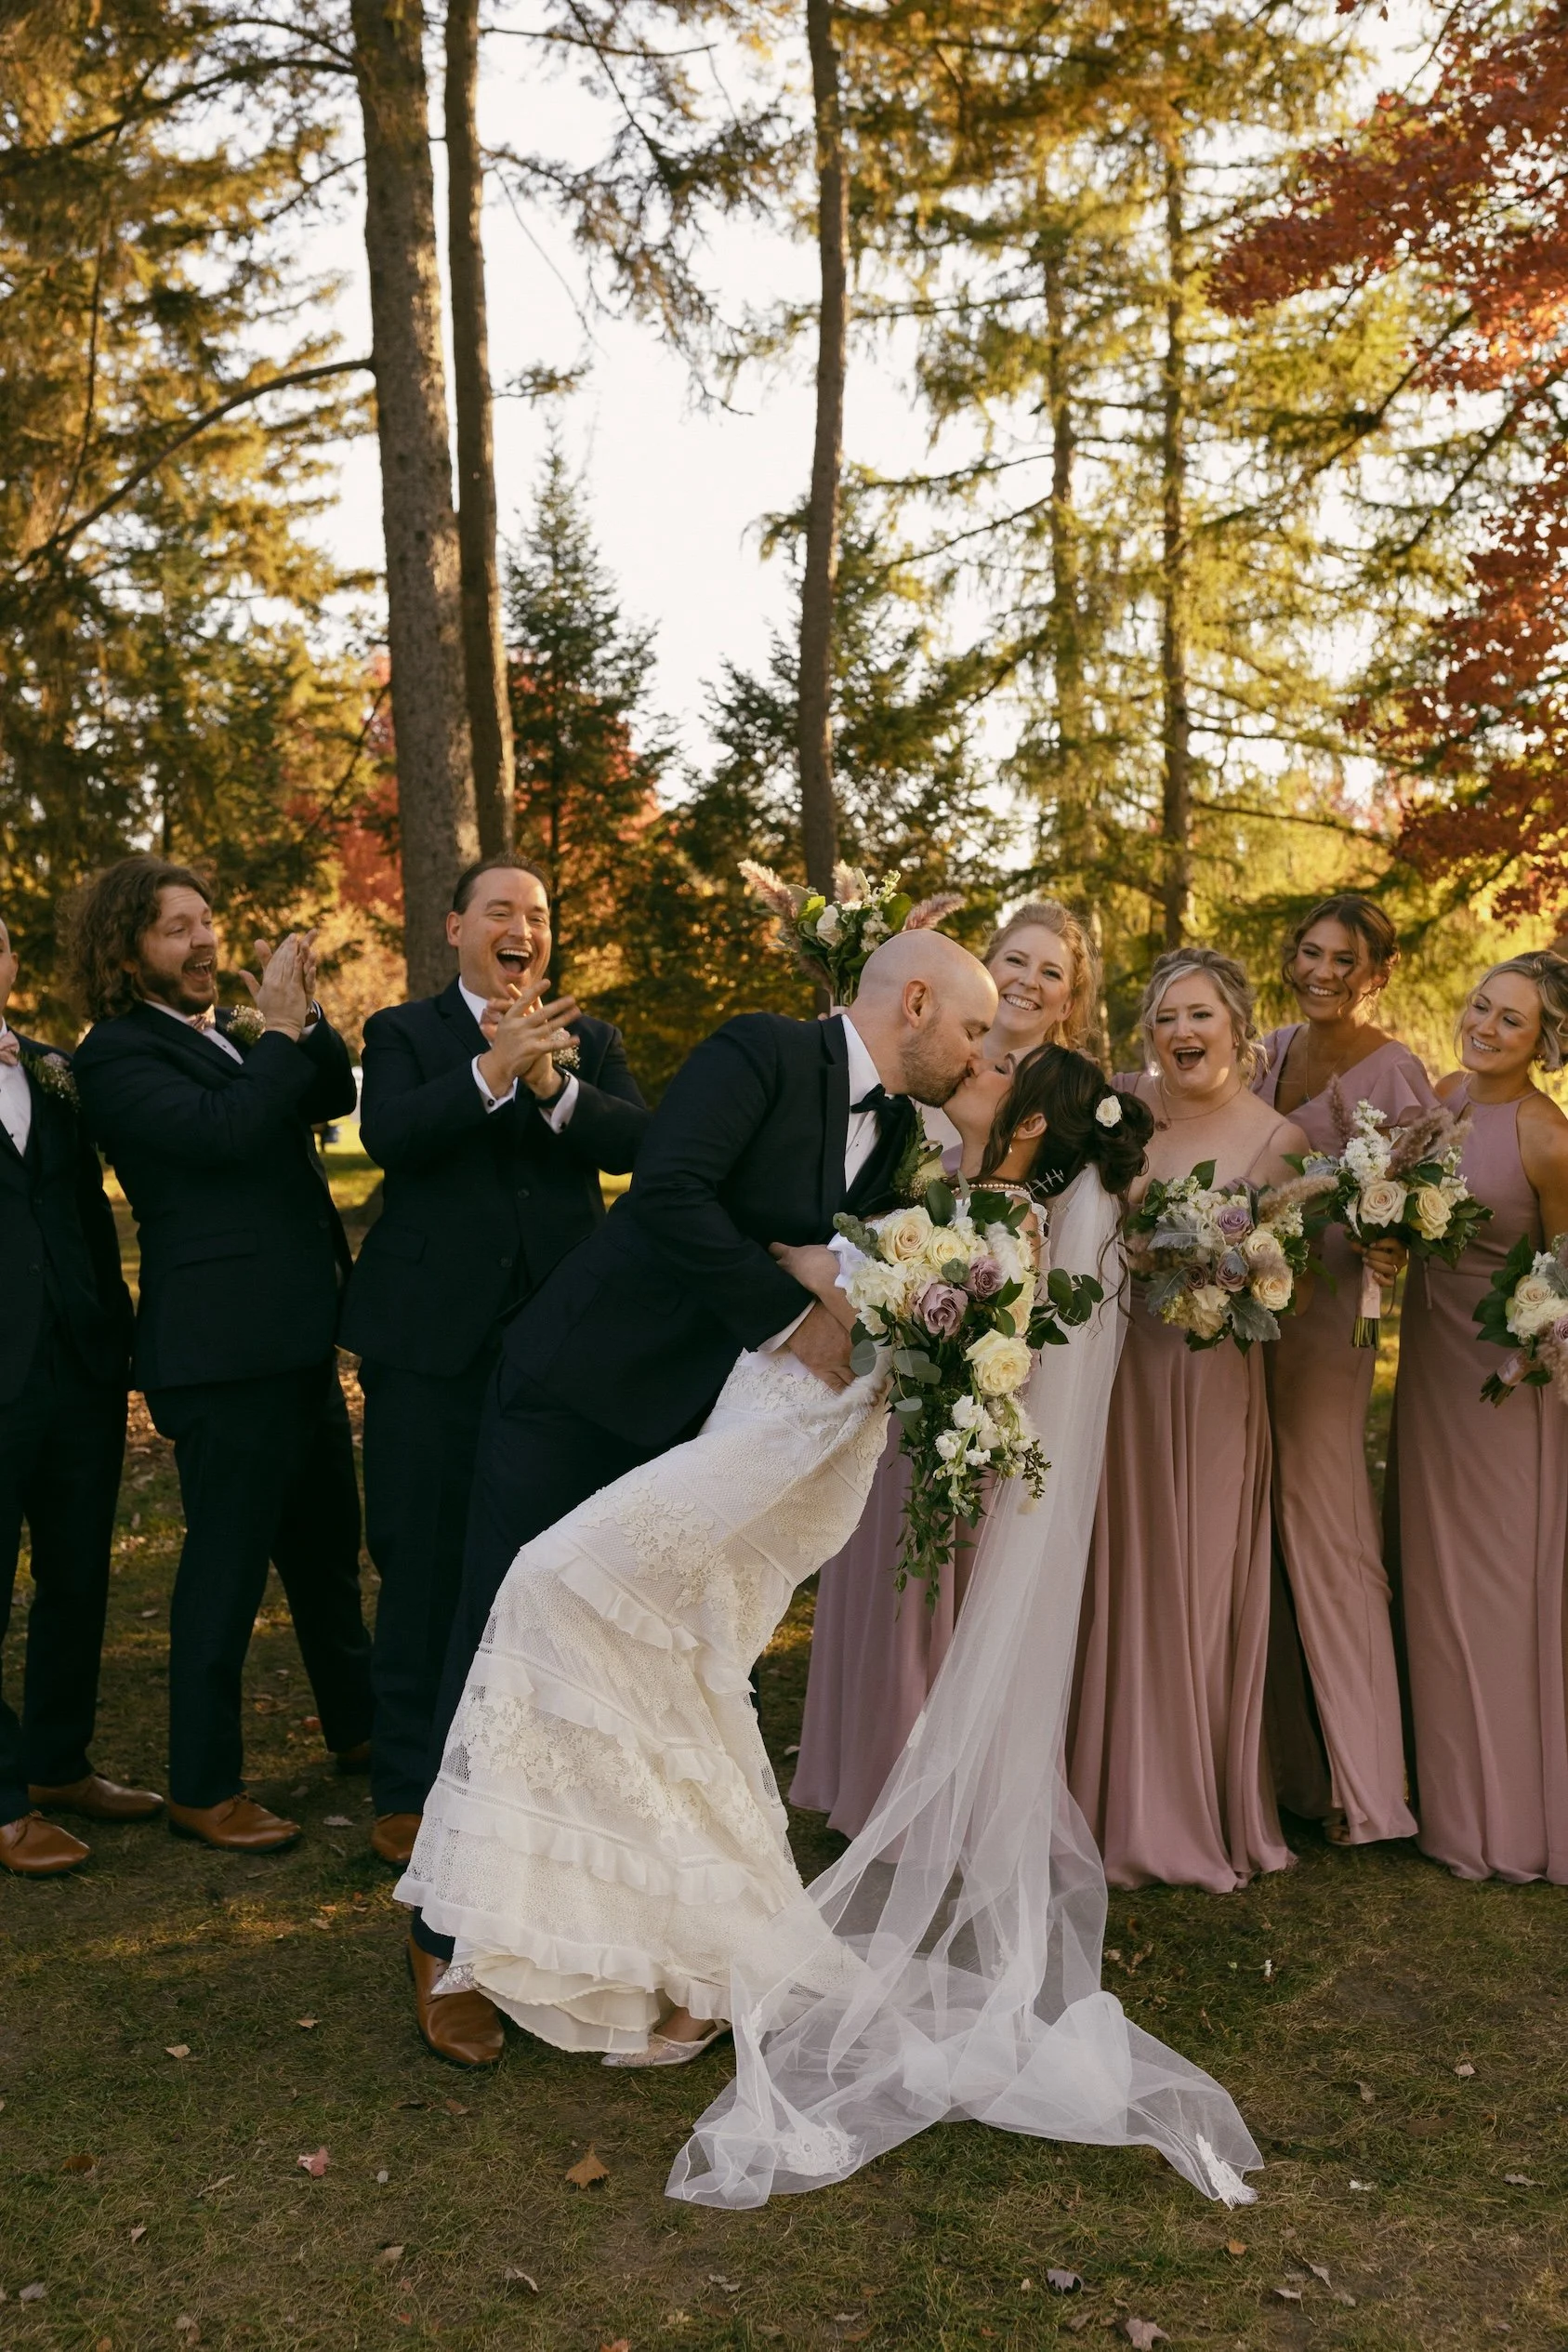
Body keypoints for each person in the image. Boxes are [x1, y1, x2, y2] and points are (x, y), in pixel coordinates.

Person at [401, 1038, 1262, 2210]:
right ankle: (699, 1949)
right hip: (758, 1417)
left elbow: (889, 1322)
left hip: (788, 1445)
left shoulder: (995, 1224)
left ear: (1023, 1128)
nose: (980, 1054)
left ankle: (536, 1918)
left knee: (552, 1580)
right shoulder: (946, 1183)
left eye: (1003, 1063)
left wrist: (824, 1265)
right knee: (681, 1663)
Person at [399, 929, 997, 2066]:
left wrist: (826, 1274)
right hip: (580, 1386)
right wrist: (791, 1312)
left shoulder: (902, 1141)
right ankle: (440, 1938)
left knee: (624, 1662)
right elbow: (669, 1190)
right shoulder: (764, 1052)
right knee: (505, 1626)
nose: (976, 1051)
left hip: (693, 1426)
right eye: (970, 1027)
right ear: (914, 1001)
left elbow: (823, 1244)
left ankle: (577, 1917)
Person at [342, 857, 650, 1870]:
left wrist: (554, 1084)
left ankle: (533, 1769)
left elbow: (642, 1146)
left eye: (541, 914)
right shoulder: (401, 1033)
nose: (524, 927)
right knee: (420, 1555)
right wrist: (488, 1071)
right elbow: (388, 1132)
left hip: (561, 1353)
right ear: (455, 926)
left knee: (546, 1564)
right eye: (502, 911)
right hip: (429, 1346)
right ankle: (405, 1784)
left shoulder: (589, 1038)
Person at [69, 858, 373, 1855]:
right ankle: (204, 1783)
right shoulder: (115, 1055)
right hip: (219, 1354)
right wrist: (277, 1033)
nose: (203, 941)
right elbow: (228, 1133)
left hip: (294, 1340)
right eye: (175, 928)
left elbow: (324, 1091)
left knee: (328, 1557)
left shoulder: (234, 1036)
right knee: (227, 1569)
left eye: (206, 921)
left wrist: (304, 1018)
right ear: (127, 952)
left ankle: (362, 1730)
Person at [794, 899, 1101, 1835]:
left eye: (1052, 969)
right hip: (894, 1413)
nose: (981, 1061)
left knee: (917, 1604)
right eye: (1013, 960)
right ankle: (854, 1774)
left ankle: (897, 1796)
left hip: (944, 1437)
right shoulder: (934, 1129)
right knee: (877, 1588)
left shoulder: (1009, 1217)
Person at [1068, 947, 1307, 1893]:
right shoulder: (1118, 1106)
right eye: (1166, 1016)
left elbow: (1279, 1282)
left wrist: (1230, 1269)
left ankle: (1187, 1806)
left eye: (1200, 1014)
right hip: (1113, 1374)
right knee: (1111, 1573)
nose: (1182, 1033)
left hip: (1209, 1384)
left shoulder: (1275, 1138)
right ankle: (1100, 1792)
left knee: (1195, 1580)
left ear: (1237, 1025)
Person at [1254, 895, 1433, 1846]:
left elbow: (1421, 1202)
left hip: (1336, 1327)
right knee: (1257, 1533)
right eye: (1310, 952)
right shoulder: (1269, 1049)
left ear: (1377, 974)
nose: (1322, 970)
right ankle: (1292, 1768)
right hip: (1249, 1318)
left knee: (1326, 1527)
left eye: (1344, 959)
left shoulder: (1394, 1066)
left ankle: (1370, 1782)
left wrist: (1391, 1239)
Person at [1390, 951, 1568, 1883]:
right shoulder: (1446, 1097)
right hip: (1427, 1375)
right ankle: (1448, 1806)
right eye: (1479, 1005)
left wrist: (1537, 1332)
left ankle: (1513, 1822)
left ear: (1546, 1040)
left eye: (1511, 1019)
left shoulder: (1549, 1137)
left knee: (1503, 1595)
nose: (1485, 1027)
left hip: (1508, 1388)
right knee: (1430, 1576)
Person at [0, 915, 149, 1878]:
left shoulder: (55, 1070)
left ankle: (58, 1763)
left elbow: (88, 1210)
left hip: (80, 1368)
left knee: (76, 1577)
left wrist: (114, 1335)